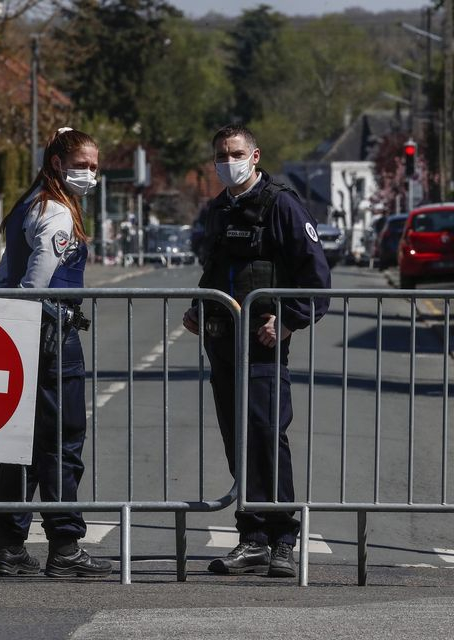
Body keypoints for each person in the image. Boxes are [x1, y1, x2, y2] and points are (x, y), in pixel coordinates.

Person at [183, 124, 331, 578]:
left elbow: (316, 278)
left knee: (267, 436)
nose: (229, 161)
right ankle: (251, 538)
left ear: (256, 155)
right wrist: (197, 308)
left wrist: (289, 322)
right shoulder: (217, 211)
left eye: (236, 152)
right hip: (222, 343)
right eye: (222, 155)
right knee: (237, 440)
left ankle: (282, 539)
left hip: (263, 345)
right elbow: (214, 272)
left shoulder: (282, 206)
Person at [0, 127, 112, 579]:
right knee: (63, 441)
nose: (91, 173)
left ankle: (10, 546)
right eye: (83, 164)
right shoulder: (56, 213)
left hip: (33, 334)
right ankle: (64, 545)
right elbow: (32, 287)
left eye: (95, 165)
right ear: (58, 163)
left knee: (22, 444)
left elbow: (4, 278)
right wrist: (49, 323)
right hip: (49, 338)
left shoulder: (30, 202)